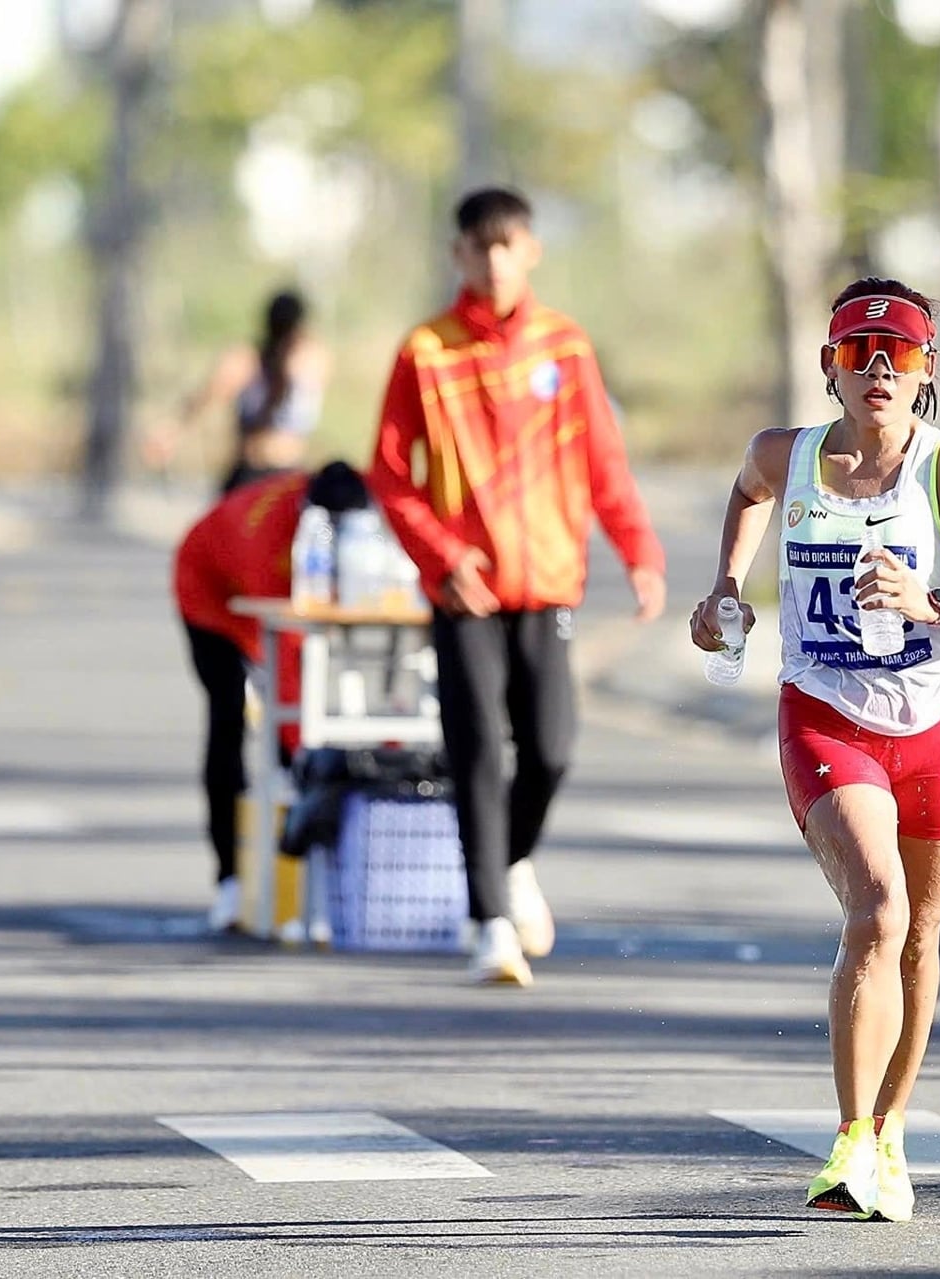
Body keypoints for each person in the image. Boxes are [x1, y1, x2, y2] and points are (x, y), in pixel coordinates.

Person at [689, 277, 940, 1223]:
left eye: (900, 357)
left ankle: (890, 1133)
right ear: (830, 367)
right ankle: (849, 1142)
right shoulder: (788, 454)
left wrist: (936, 602)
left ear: (928, 372)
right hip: (825, 716)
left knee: (921, 933)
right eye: (859, 354)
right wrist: (726, 587)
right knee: (878, 909)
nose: (879, 372)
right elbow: (747, 488)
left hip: (939, 722)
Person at [369, 187, 667, 988]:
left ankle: (515, 860)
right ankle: (489, 921)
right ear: (459, 254)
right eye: (479, 247)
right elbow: (392, 477)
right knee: (473, 753)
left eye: (508, 246)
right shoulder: (425, 351)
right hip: (464, 590)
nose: (495, 262)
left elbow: (604, 461)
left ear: (531, 249)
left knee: (551, 748)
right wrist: (440, 557)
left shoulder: (565, 347)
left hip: (546, 582)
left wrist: (639, 550)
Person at [172, 462, 371, 931]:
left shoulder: (346, 506)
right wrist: (303, 751)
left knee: (300, 732)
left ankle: (309, 885)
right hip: (210, 595)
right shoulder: (274, 539)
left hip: (265, 593)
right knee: (230, 719)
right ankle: (230, 879)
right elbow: (285, 661)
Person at [146, 290, 331, 493]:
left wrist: (173, 430)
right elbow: (206, 395)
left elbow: (203, 398)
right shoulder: (248, 360)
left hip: (286, 476)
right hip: (251, 474)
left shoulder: (308, 361)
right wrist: (171, 431)